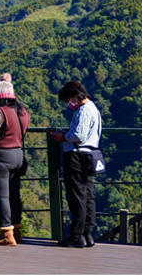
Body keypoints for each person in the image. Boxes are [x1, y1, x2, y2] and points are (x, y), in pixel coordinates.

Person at [49, 81, 102, 248]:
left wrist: (62, 137)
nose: (68, 104)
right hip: (90, 155)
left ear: (74, 96)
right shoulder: (93, 108)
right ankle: (87, 233)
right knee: (87, 195)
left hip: (77, 156)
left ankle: (76, 235)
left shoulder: (84, 111)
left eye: (68, 100)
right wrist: (67, 133)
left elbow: (78, 135)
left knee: (76, 195)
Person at [0, 73, 30, 246]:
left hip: (1, 156)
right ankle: (17, 231)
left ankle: (6, 234)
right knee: (15, 195)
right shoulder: (22, 112)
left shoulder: (0, 112)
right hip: (18, 154)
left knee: (3, 196)